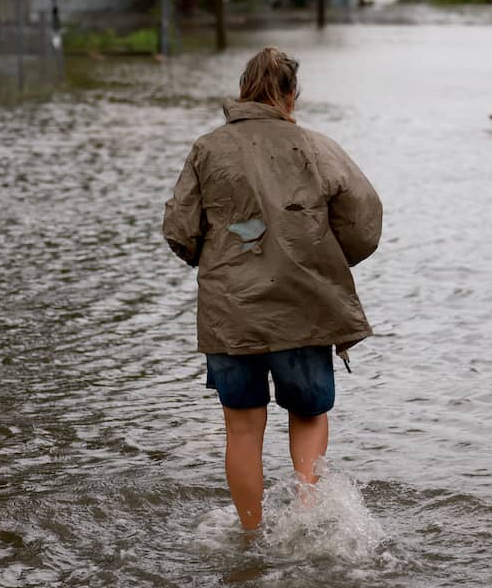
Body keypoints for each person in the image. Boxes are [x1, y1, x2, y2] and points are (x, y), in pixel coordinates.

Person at [162, 46, 383, 533]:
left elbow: (179, 232)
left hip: (229, 312)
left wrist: (221, 260)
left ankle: (248, 536)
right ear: (290, 95)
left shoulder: (206, 149)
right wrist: (320, 256)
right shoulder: (317, 147)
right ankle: (305, 525)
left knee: (242, 429)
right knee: (307, 415)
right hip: (304, 306)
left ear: (243, 91)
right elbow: (365, 222)